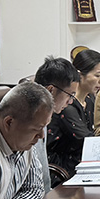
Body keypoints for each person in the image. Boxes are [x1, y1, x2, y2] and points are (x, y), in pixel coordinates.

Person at [47, 49, 100, 176]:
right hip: (63, 168)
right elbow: (88, 141)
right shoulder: (67, 106)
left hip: (83, 161)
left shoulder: (89, 100)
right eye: (98, 75)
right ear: (80, 75)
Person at [32, 56, 80, 190]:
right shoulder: (29, 122)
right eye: (70, 95)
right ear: (51, 90)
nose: (70, 102)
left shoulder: (45, 116)